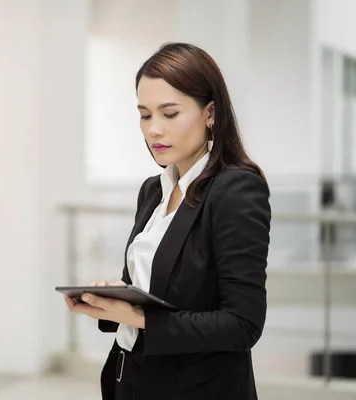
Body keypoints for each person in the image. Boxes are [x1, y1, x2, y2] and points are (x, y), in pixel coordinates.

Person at [64, 42, 271, 400]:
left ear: (210, 113)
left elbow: (242, 324)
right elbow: (159, 292)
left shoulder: (235, 189)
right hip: (129, 380)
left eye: (170, 113)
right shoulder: (153, 191)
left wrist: (137, 317)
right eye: (145, 115)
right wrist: (111, 302)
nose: (154, 129)